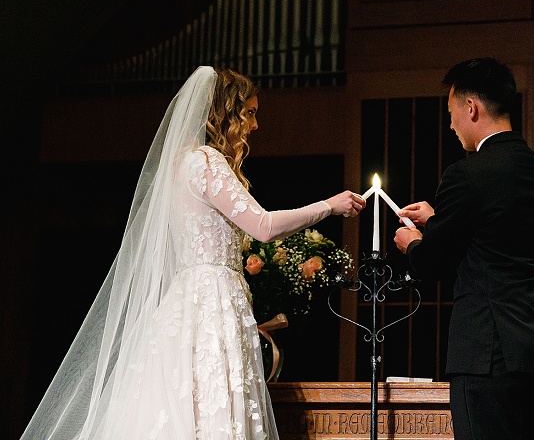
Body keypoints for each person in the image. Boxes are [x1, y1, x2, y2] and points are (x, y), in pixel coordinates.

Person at [21, 66, 366, 440]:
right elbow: (263, 226)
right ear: (225, 114)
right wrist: (328, 206)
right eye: (249, 113)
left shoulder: (183, 164)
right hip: (211, 301)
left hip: (194, 299)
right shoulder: (205, 162)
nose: (254, 126)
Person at [394, 57, 534, 440]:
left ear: (470, 107)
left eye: (452, 112)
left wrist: (413, 243)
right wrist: (441, 218)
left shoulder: (467, 173)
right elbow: (498, 238)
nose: (452, 124)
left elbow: (432, 265)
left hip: (488, 357)